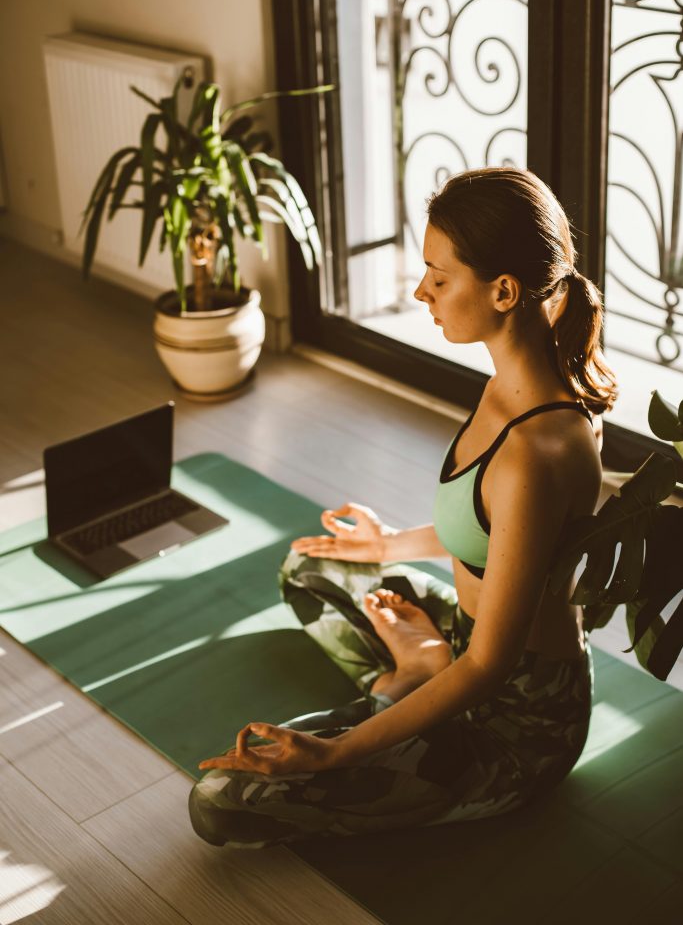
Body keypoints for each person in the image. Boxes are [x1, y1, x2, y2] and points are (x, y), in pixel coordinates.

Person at [188, 165, 618, 849]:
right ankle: (417, 667)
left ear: (503, 290)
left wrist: (337, 750)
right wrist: (386, 546)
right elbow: (498, 538)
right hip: (465, 643)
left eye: (439, 278)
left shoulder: (540, 446)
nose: (421, 292)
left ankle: (405, 683)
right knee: (310, 568)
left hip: (512, 723)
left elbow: (490, 667)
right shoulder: (513, 383)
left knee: (221, 801)